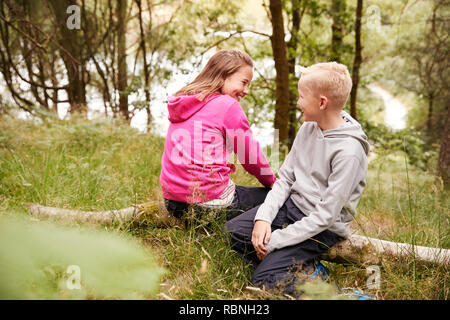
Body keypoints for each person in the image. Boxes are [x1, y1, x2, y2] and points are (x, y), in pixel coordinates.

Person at [224, 62, 370, 295]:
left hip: (322, 228)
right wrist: (263, 218)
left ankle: (337, 294)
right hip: (293, 207)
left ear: (322, 102)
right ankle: (300, 267)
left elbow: (325, 216)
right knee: (234, 232)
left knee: (264, 280)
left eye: (302, 97)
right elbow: (285, 179)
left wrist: (276, 240)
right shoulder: (308, 128)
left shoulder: (349, 152)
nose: (298, 102)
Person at [159, 49, 277, 224]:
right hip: (205, 204)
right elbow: (250, 157)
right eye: (244, 82)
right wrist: (273, 183)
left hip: (173, 202)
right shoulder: (227, 105)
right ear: (224, 76)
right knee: (274, 198)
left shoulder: (186, 100)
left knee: (245, 192)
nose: (246, 91)